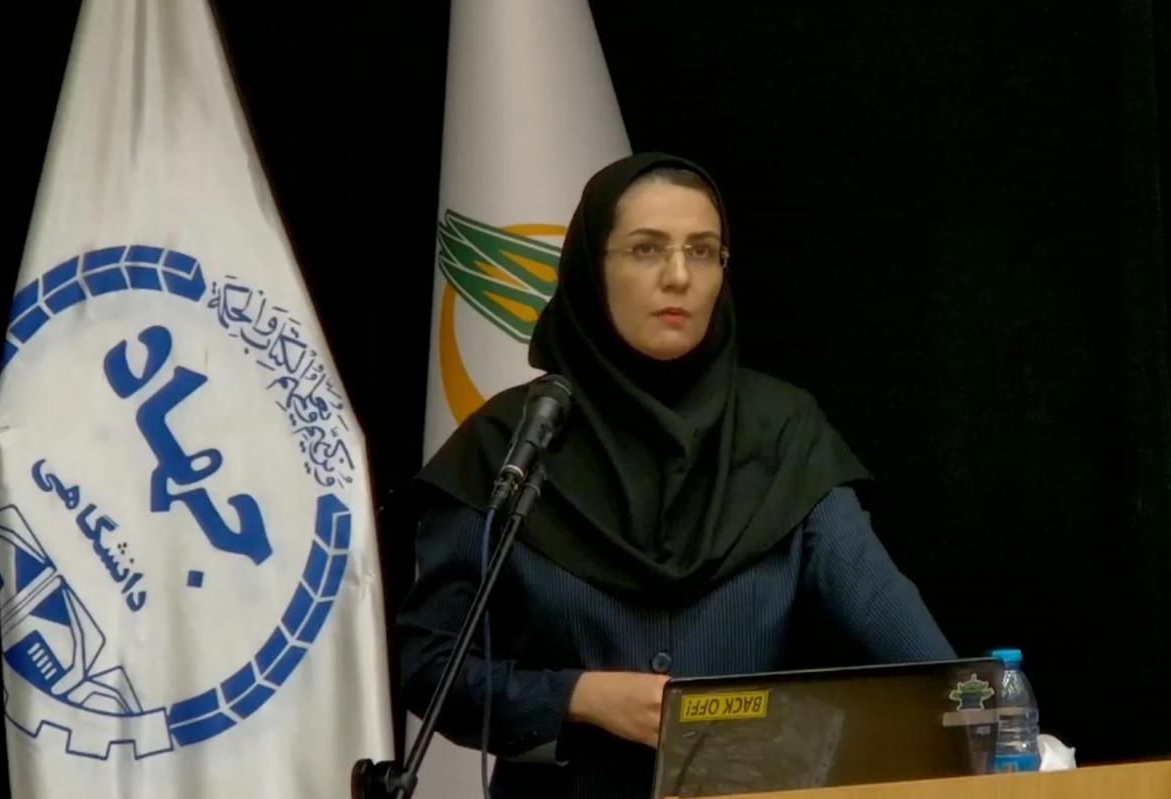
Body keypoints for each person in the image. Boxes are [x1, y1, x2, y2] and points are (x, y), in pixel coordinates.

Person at [399, 153, 955, 799]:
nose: (679, 276)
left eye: (703, 251)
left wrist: (988, 727)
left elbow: (923, 664)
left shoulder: (783, 434)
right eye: (646, 249)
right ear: (591, 269)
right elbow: (431, 665)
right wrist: (580, 696)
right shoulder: (511, 443)